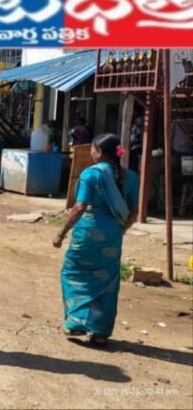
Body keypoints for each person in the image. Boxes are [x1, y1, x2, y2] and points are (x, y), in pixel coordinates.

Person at [52, 134, 139, 347]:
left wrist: (61, 233)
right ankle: (100, 333)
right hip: (112, 236)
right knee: (107, 281)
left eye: (92, 148)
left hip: (87, 234)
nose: (91, 152)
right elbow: (134, 212)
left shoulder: (90, 174)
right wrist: (120, 231)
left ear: (99, 152)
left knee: (72, 273)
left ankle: (76, 323)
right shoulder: (131, 177)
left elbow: (79, 207)